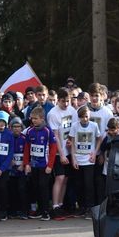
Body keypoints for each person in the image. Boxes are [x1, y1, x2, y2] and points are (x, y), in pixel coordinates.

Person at [47, 88, 77, 220]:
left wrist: (71, 142)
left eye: (67, 101)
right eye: (63, 101)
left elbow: (74, 129)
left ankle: (60, 204)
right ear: (58, 100)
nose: (66, 104)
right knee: (59, 177)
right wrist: (62, 154)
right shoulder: (53, 114)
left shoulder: (72, 111)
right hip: (59, 152)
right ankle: (54, 206)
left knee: (65, 179)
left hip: (70, 149)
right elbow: (55, 136)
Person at [23, 106, 58, 220]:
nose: (33, 121)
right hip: (34, 165)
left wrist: (50, 165)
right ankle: (39, 210)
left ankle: (46, 211)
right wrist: (26, 164)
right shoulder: (29, 131)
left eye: (36, 118)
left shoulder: (48, 131)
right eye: (32, 118)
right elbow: (27, 148)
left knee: (43, 187)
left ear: (42, 119)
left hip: (44, 165)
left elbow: (53, 149)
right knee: (36, 187)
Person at [69, 106, 102, 219]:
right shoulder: (75, 126)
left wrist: (95, 152)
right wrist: (73, 158)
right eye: (82, 117)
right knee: (79, 184)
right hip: (78, 158)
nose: (85, 119)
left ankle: (90, 208)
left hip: (89, 160)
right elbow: (72, 142)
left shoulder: (94, 125)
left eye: (87, 116)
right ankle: (81, 207)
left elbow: (99, 139)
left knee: (89, 185)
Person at [8, 117, 28, 220]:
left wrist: (23, 164)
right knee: (12, 190)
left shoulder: (24, 139)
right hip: (11, 169)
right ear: (11, 128)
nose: (16, 128)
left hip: (22, 169)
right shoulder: (8, 138)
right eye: (14, 126)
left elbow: (27, 153)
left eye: (18, 126)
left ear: (21, 127)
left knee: (22, 189)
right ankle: (13, 211)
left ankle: (23, 211)